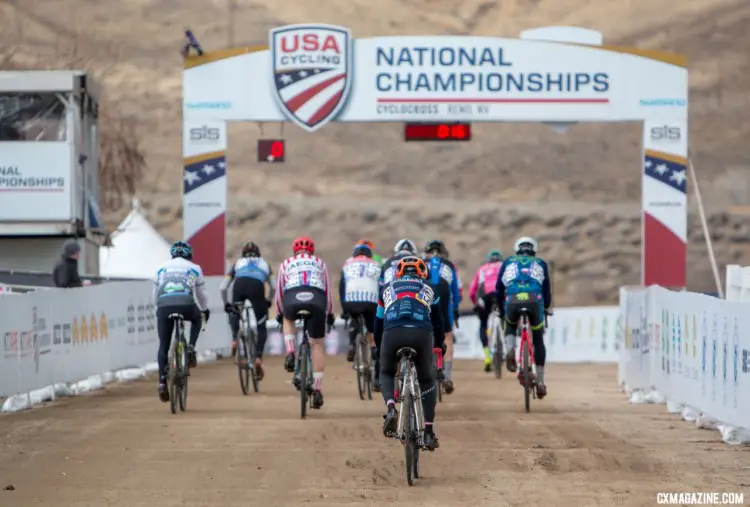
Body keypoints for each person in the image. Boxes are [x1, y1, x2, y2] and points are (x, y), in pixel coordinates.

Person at [375, 255, 444, 451]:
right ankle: (429, 432)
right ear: (423, 273)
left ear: (398, 272)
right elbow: (439, 323)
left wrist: (379, 348)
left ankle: (390, 408)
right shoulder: (430, 288)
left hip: (392, 332)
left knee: (387, 371)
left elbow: (378, 323)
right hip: (420, 333)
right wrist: (440, 345)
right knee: (427, 380)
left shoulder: (386, 288)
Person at [275, 236, 334, 409]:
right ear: (312, 251)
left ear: (295, 250)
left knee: (288, 319)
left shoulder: (286, 263)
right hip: (316, 297)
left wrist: (280, 312)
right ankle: (316, 389)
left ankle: (291, 352)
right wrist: (329, 313)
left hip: (293, 295)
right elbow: (328, 290)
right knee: (316, 344)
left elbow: (279, 292)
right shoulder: (320, 263)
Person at [494, 236, 552, 399]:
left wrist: (500, 307)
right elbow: (546, 290)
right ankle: (540, 380)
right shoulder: (540, 263)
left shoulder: (508, 262)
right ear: (534, 250)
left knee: (510, 324)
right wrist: (546, 306)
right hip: (535, 298)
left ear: (516, 249)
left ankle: (510, 349)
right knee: (538, 338)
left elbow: (499, 288)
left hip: (512, 298)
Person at [152, 241, 210, 402]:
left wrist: (158, 308)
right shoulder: (194, 268)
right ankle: (190, 347)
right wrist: (205, 310)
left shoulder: (161, 267)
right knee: (197, 318)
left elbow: (154, 295)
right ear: (189, 255)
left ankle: (162, 381)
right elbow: (202, 295)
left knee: (163, 345)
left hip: (164, 305)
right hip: (186, 304)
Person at [220, 241, 274, 379]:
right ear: (259, 254)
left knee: (234, 310)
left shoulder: (237, 263)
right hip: (257, 287)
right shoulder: (265, 264)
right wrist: (268, 300)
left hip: (240, 284)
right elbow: (273, 287)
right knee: (261, 324)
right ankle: (258, 357)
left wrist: (226, 303)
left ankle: (234, 339)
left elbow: (223, 287)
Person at [374, 238, 419, 389]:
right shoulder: (417, 261)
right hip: (414, 303)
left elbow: (379, 286)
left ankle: (377, 376)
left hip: (389, 301)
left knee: (384, 339)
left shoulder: (387, 263)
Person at [422, 240, 460, 394]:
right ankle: (447, 377)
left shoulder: (421, 262)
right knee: (447, 336)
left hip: (425, 290)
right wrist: (455, 309)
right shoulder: (449, 265)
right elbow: (455, 292)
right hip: (443, 293)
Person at [340, 242, 381, 362]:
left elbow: (342, 287)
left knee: (353, 317)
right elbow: (381, 286)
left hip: (351, 300)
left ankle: (352, 343)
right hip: (371, 301)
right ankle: (374, 348)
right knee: (372, 327)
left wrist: (344, 310)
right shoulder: (376, 265)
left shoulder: (347, 264)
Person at [469, 249, 504, 372]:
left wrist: (475, 303)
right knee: (507, 318)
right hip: (501, 295)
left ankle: (487, 355)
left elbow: (472, 290)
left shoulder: (482, 269)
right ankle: (506, 346)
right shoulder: (504, 266)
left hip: (485, 297)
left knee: (483, 324)